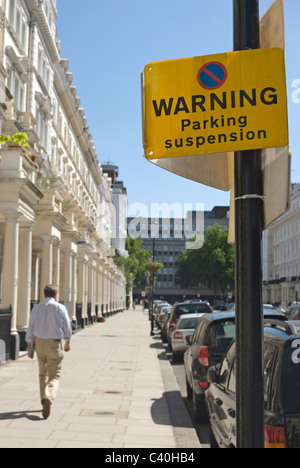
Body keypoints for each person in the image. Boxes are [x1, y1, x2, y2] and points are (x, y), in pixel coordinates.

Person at [26, 285, 72, 419]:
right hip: (54, 343)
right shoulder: (60, 308)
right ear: (55, 295)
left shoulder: (37, 307)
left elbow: (31, 325)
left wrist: (29, 341)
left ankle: (43, 399)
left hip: (39, 342)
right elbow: (66, 326)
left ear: (44, 294)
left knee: (42, 372)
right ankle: (49, 396)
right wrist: (68, 341)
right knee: (55, 373)